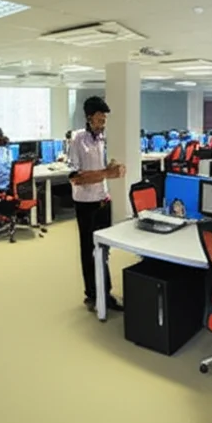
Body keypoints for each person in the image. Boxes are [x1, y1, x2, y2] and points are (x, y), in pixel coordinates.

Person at [69, 96, 126, 312]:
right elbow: (75, 177)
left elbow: (100, 170)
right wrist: (106, 173)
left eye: (104, 120)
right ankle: (92, 294)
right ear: (88, 118)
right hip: (86, 203)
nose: (102, 123)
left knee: (103, 250)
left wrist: (112, 168)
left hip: (103, 200)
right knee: (89, 250)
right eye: (99, 119)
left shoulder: (101, 139)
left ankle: (106, 292)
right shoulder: (78, 140)